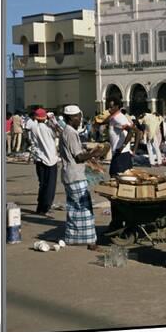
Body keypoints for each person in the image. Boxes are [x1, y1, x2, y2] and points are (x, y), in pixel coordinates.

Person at [59, 105, 103, 249]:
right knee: (84, 208)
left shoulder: (69, 131)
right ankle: (91, 242)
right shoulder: (70, 133)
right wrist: (94, 153)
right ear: (70, 118)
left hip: (70, 175)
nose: (80, 119)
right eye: (77, 116)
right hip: (75, 175)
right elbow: (78, 157)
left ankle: (72, 237)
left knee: (74, 209)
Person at [30, 108, 59, 217]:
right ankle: (46, 207)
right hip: (50, 159)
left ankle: (40, 206)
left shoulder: (33, 127)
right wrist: (53, 120)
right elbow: (58, 132)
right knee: (50, 185)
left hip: (39, 158)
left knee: (42, 184)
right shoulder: (47, 129)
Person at [106, 97, 135, 177]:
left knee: (115, 177)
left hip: (120, 154)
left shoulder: (117, 118)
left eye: (111, 107)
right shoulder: (120, 117)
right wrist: (134, 150)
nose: (109, 109)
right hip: (124, 153)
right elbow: (138, 132)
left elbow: (131, 131)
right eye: (108, 107)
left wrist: (122, 146)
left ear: (117, 106)